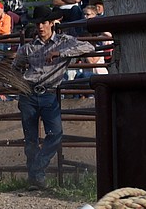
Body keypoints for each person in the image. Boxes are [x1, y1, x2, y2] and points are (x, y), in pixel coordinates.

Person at [11, 10, 95, 190]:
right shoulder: (28, 48)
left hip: (49, 93)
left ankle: (36, 170)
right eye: (38, 23)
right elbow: (15, 67)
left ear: (51, 23)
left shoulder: (64, 41)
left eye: (44, 22)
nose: (40, 27)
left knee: (55, 134)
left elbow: (89, 47)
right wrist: (19, 82)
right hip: (29, 93)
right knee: (31, 139)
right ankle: (36, 179)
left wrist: (59, 53)